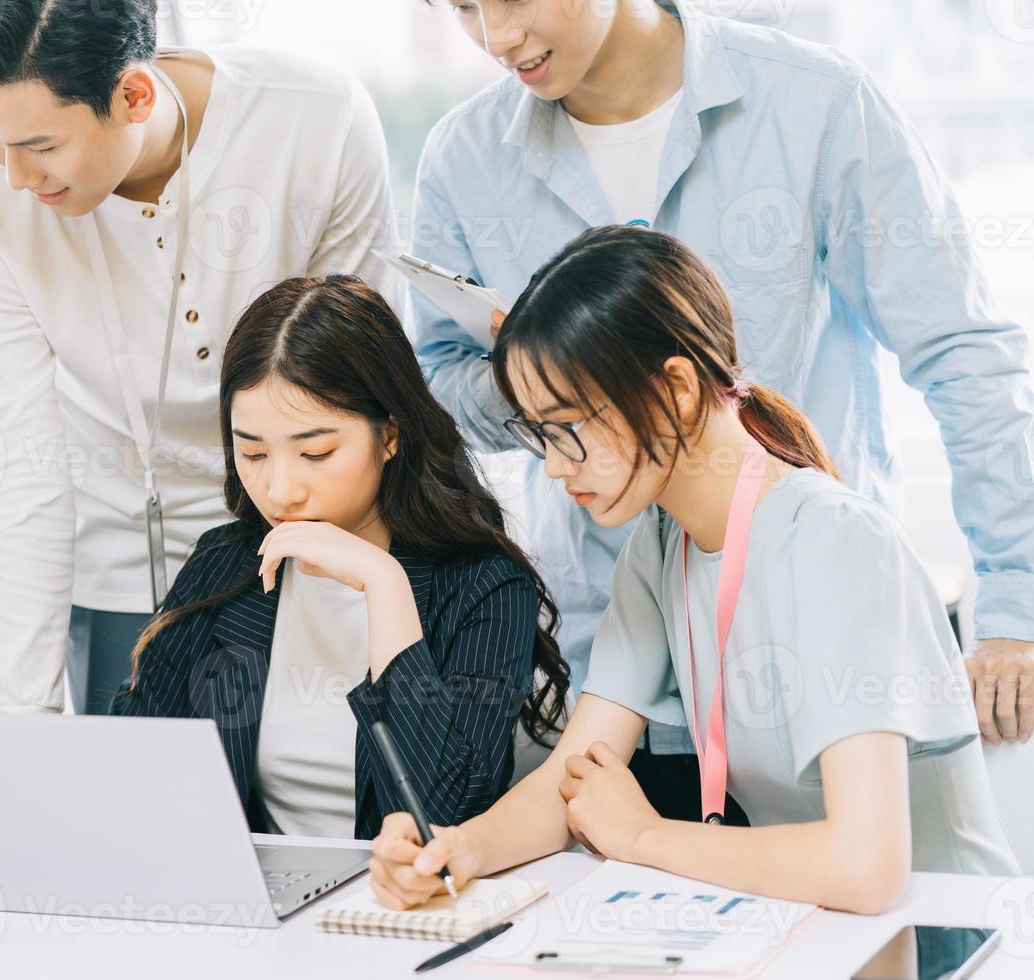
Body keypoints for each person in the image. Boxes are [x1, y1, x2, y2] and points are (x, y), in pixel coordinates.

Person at [412, 0, 1034, 803]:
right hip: (613, 675)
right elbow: (436, 385)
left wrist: (1014, 609)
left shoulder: (815, 102)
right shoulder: (462, 160)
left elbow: (963, 354)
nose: (496, 39)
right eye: (462, 6)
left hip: (823, 669)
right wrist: (550, 383)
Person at [369, 226, 1018, 914]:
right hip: (806, 932)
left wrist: (643, 833)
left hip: (944, 938)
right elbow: (574, 774)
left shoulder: (835, 542)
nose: (554, 465)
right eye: (538, 434)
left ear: (676, 387)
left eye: (566, 429)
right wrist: (456, 850)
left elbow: (866, 868)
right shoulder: (659, 544)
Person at [0, 0, 400, 714]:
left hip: (309, 550)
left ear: (134, 95)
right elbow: (23, 490)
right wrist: (9, 744)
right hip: (117, 578)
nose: (16, 178)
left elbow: (365, 389)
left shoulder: (317, 121)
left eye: (40, 146)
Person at [110, 275, 570, 838]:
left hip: (407, 908)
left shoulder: (484, 585)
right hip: (254, 908)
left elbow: (444, 817)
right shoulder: (225, 564)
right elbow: (132, 768)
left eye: (315, 452)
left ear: (390, 435)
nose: (281, 491)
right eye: (251, 452)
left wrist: (385, 584)